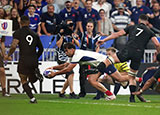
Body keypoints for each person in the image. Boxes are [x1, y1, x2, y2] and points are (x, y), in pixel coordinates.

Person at [96, 14, 160, 102]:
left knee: (109, 60)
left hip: (128, 50)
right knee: (132, 77)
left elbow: (118, 34)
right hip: (138, 54)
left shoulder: (132, 27)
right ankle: (132, 98)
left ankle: (97, 75)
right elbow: (157, 44)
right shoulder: (149, 31)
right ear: (147, 22)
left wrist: (104, 40)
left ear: (138, 20)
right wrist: (158, 53)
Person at [46, 43, 130, 101]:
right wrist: (53, 67)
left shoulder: (77, 55)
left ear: (72, 49)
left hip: (105, 62)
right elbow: (65, 65)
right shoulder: (73, 56)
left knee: (120, 78)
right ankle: (110, 95)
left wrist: (55, 73)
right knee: (91, 80)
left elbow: (68, 69)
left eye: (66, 51)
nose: (65, 52)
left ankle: (137, 79)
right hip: (99, 64)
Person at [5, 15, 44, 103]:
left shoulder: (18, 33)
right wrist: (36, 57)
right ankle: (35, 75)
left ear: (20, 22)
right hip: (34, 60)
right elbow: (41, 49)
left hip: (24, 59)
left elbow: (14, 45)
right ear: (29, 23)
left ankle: (32, 98)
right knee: (32, 79)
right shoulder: (35, 34)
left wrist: (8, 55)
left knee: (23, 80)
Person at [55, 19, 80, 99]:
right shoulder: (60, 35)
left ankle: (62, 92)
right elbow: (58, 45)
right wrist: (62, 36)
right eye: (68, 25)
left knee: (70, 75)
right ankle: (72, 92)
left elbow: (78, 44)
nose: (70, 27)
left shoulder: (73, 35)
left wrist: (73, 37)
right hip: (61, 57)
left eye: (71, 25)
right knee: (70, 73)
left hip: (70, 58)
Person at [78, 20, 101, 97]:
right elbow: (79, 44)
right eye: (88, 26)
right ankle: (82, 92)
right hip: (83, 57)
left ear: (93, 27)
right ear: (86, 27)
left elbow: (98, 47)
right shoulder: (82, 35)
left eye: (91, 26)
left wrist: (96, 55)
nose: (89, 28)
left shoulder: (97, 36)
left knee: (96, 75)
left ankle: (99, 92)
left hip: (93, 57)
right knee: (82, 75)